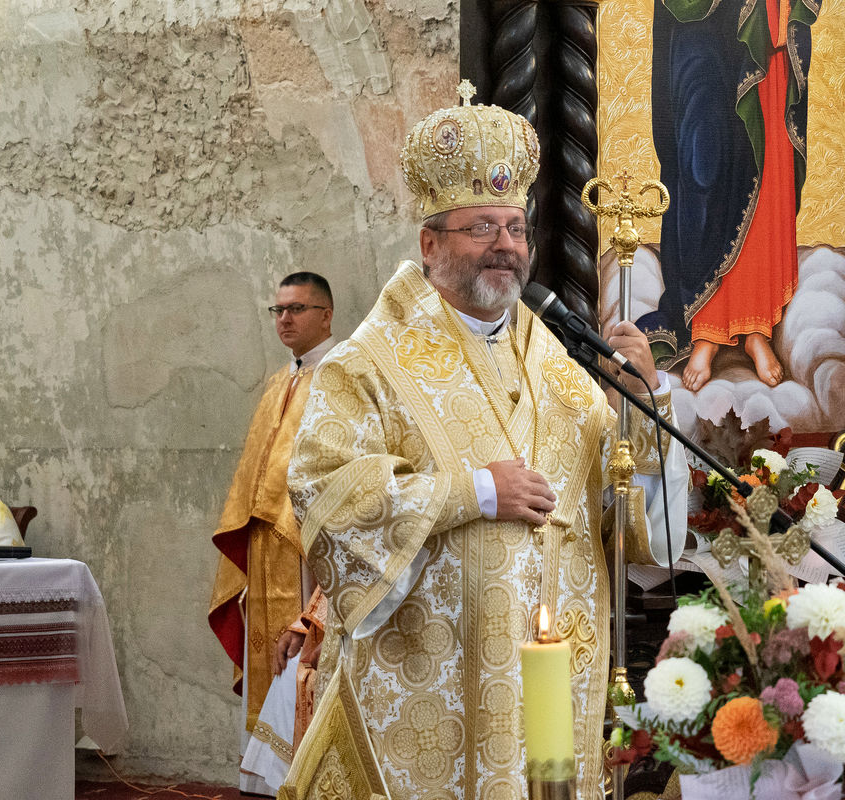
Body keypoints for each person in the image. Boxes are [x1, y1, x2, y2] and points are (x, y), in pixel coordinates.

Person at [285, 83, 682, 799]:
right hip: (429, 696)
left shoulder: (563, 371)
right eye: (481, 228)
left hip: (553, 692)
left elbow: (635, 523)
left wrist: (642, 414)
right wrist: (471, 493)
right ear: (430, 243)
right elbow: (324, 492)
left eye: (516, 227)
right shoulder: (366, 364)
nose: (505, 245)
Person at [642, 0, 819, 391]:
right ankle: (704, 326)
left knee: (765, 166)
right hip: (698, 29)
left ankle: (756, 329)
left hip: (760, 21)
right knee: (701, 161)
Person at [207, 271, 335, 795]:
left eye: (297, 309)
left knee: (298, 665)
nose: (284, 319)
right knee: (267, 661)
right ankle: (265, 781)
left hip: (308, 553)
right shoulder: (279, 380)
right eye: (278, 310)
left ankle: (300, 776)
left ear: (326, 315)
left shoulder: (338, 375)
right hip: (266, 545)